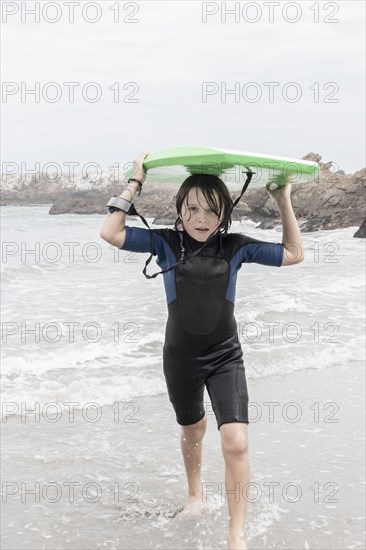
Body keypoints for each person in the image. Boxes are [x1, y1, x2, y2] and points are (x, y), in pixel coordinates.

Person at [100, 150, 304, 550]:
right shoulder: (164, 242)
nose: (200, 218)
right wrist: (135, 184)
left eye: (211, 211)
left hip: (226, 357)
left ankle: (236, 535)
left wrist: (283, 199)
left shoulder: (237, 247)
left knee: (237, 441)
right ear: (180, 210)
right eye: (192, 208)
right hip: (180, 359)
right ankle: (195, 494)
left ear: (223, 215)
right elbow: (110, 232)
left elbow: (295, 254)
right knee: (192, 429)